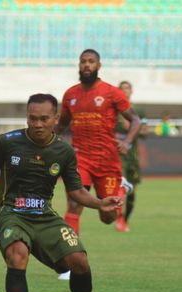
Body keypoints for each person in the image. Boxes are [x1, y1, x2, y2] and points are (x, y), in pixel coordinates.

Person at [0, 93, 119, 292]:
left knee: (79, 260)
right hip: (11, 212)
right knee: (17, 254)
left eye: (44, 119)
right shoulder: (7, 142)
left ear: (56, 119)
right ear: (27, 117)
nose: (37, 124)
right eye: (32, 118)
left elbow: (76, 191)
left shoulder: (64, 151)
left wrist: (100, 202)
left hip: (45, 216)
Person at [56, 49, 141, 278]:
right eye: (83, 61)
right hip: (79, 158)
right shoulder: (70, 95)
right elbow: (61, 125)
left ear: (99, 66)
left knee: (107, 217)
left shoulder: (111, 93)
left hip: (107, 162)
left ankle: (122, 187)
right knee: (74, 206)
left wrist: (128, 141)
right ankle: (71, 263)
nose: (86, 65)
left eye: (91, 62)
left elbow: (135, 120)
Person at [114, 80, 149, 233]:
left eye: (127, 89)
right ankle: (119, 218)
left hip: (132, 155)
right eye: (122, 89)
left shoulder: (139, 111)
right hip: (117, 155)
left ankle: (126, 219)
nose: (125, 91)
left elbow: (146, 133)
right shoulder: (113, 111)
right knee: (121, 185)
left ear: (132, 91)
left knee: (132, 191)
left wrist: (135, 129)